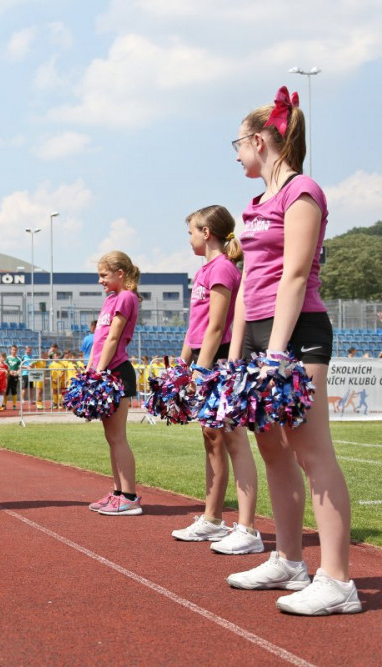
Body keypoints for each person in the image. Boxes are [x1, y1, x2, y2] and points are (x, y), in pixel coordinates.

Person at [225, 86, 361, 615]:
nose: (236, 153)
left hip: (298, 330)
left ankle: (339, 580)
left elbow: (295, 274)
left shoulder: (302, 192)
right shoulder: (255, 203)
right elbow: (248, 281)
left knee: (310, 451)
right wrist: (239, 356)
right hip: (259, 332)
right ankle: (288, 560)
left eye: (238, 143)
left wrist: (276, 354)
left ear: (261, 141)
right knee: (273, 449)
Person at [170, 205, 262, 555]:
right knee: (212, 438)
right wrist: (182, 365)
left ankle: (248, 528)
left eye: (192, 231)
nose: (189, 237)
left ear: (206, 232)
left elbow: (217, 325)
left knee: (235, 441)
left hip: (221, 361)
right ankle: (212, 519)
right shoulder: (205, 269)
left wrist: (200, 370)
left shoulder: (222, 267)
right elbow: (195, 325)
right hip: (205, 360)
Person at [86, 251, 143, 516]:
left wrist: (98, 371)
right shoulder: (111, 300)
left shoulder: (126, 298)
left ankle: (129, 496)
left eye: (104, 275)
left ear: (120, 274)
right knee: (111, 438)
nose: (100, 280)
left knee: (118, 437)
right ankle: (117, 492)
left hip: (116, 371)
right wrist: (90, 369)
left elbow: (113, 339)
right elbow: (99, 338)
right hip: (103, 371)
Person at [5, 345, 22, 409]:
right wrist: (9, 371)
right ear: (10, 350)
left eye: (15, 350)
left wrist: (17, 372)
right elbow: (5, 367)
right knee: (6, 390)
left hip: (15, 376)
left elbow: (20, 368)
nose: (14, 351)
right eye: (13, 350)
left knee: (14, 390)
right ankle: (4, 404)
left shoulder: (18, 359)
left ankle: (14, 405)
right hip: (8, 376)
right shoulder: (7, 358)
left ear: (17, 350)